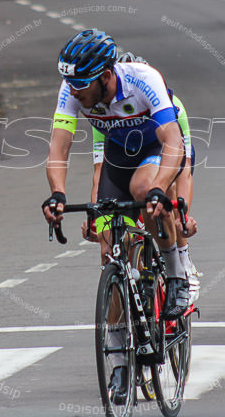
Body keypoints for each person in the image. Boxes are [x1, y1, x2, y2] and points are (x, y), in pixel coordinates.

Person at [82, 51, 202, 303]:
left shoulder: (171, 106)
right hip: (122, 162)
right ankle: (122, 317)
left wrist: (184, 216)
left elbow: (184, 171)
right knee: (109, 247)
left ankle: (181, 259)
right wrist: (95, 218)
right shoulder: (104, 112)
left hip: (161, 154)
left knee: (160, 195)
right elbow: (99, 173)